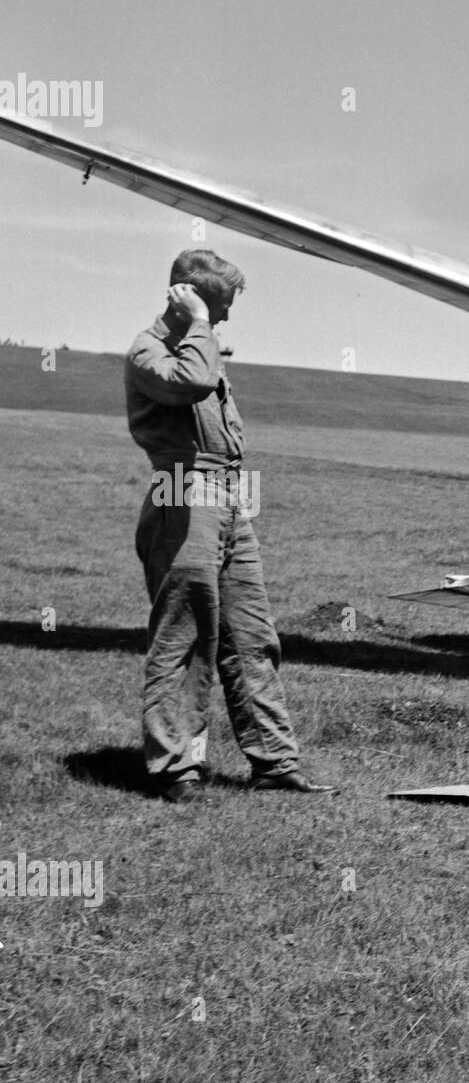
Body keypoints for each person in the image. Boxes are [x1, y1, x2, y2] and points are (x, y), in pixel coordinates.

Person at [125, 248, 334, 803]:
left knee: (252, 636)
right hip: (182, 492)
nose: (223, 319)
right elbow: (190, 384)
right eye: (217, 305)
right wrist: (197, 323)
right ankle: (175, 770)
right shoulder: (148, 352)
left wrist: (203, 332)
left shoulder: (204, 346)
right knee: (186, 637)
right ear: (183, 295)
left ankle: (275, 765)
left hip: (229, 497)